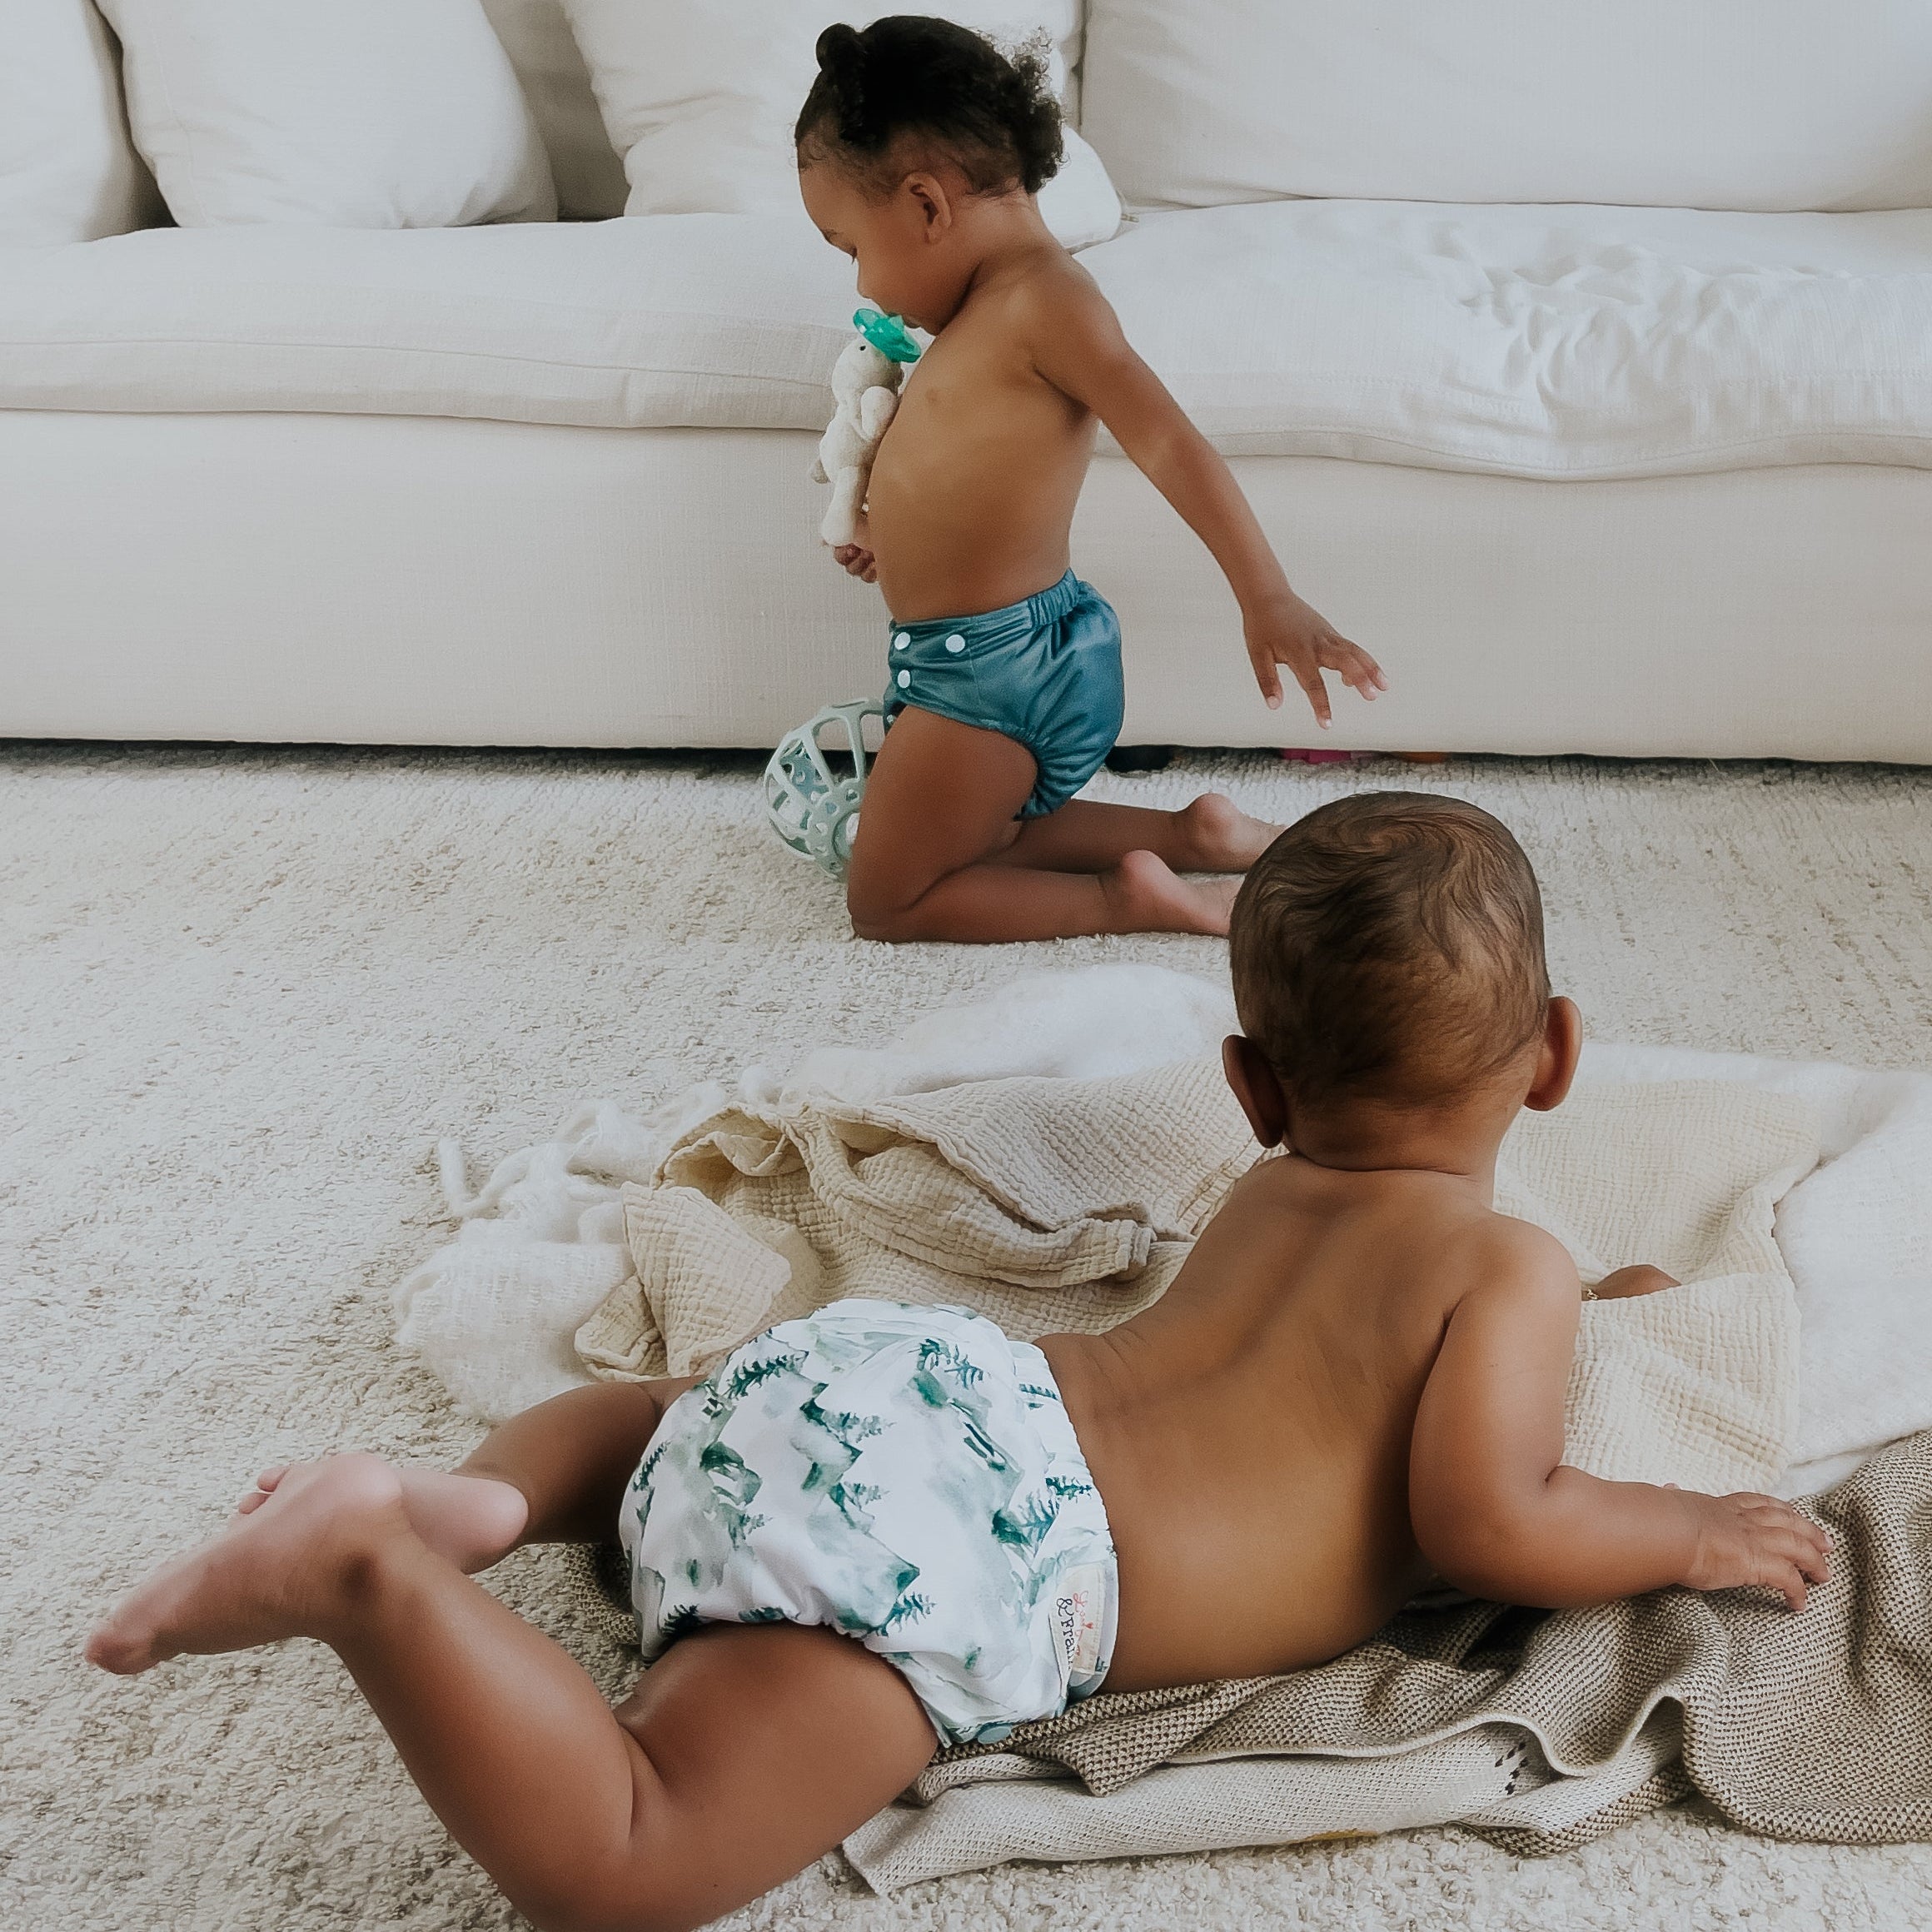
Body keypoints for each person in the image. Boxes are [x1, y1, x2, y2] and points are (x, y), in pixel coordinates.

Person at [85, 792, 1830, 1932]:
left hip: (916, 1382)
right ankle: (372, 1575)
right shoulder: (1501, 1266)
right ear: (1556, 1058)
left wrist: (1566, 1301)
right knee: (636, 1848)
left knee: (654, 1419)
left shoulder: (1266, 1188)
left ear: (1248, 1081)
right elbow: (1488, 1517)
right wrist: (1682, 1529)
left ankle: (476, 1493)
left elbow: (1343, 1350)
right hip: (989, 1559)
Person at [794, 16, 1385, 943]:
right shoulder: (986, 304)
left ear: (925, 204)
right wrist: (891, 530)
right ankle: (1198, 833)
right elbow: (967, 466)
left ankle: (1134, 899)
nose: (863, 284)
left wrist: (1265, 592)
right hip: (983, 654)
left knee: (887, 898)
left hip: (993, 669)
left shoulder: (1047, 301)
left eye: (849, 246)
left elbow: (1168, 442)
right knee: (982, 834)